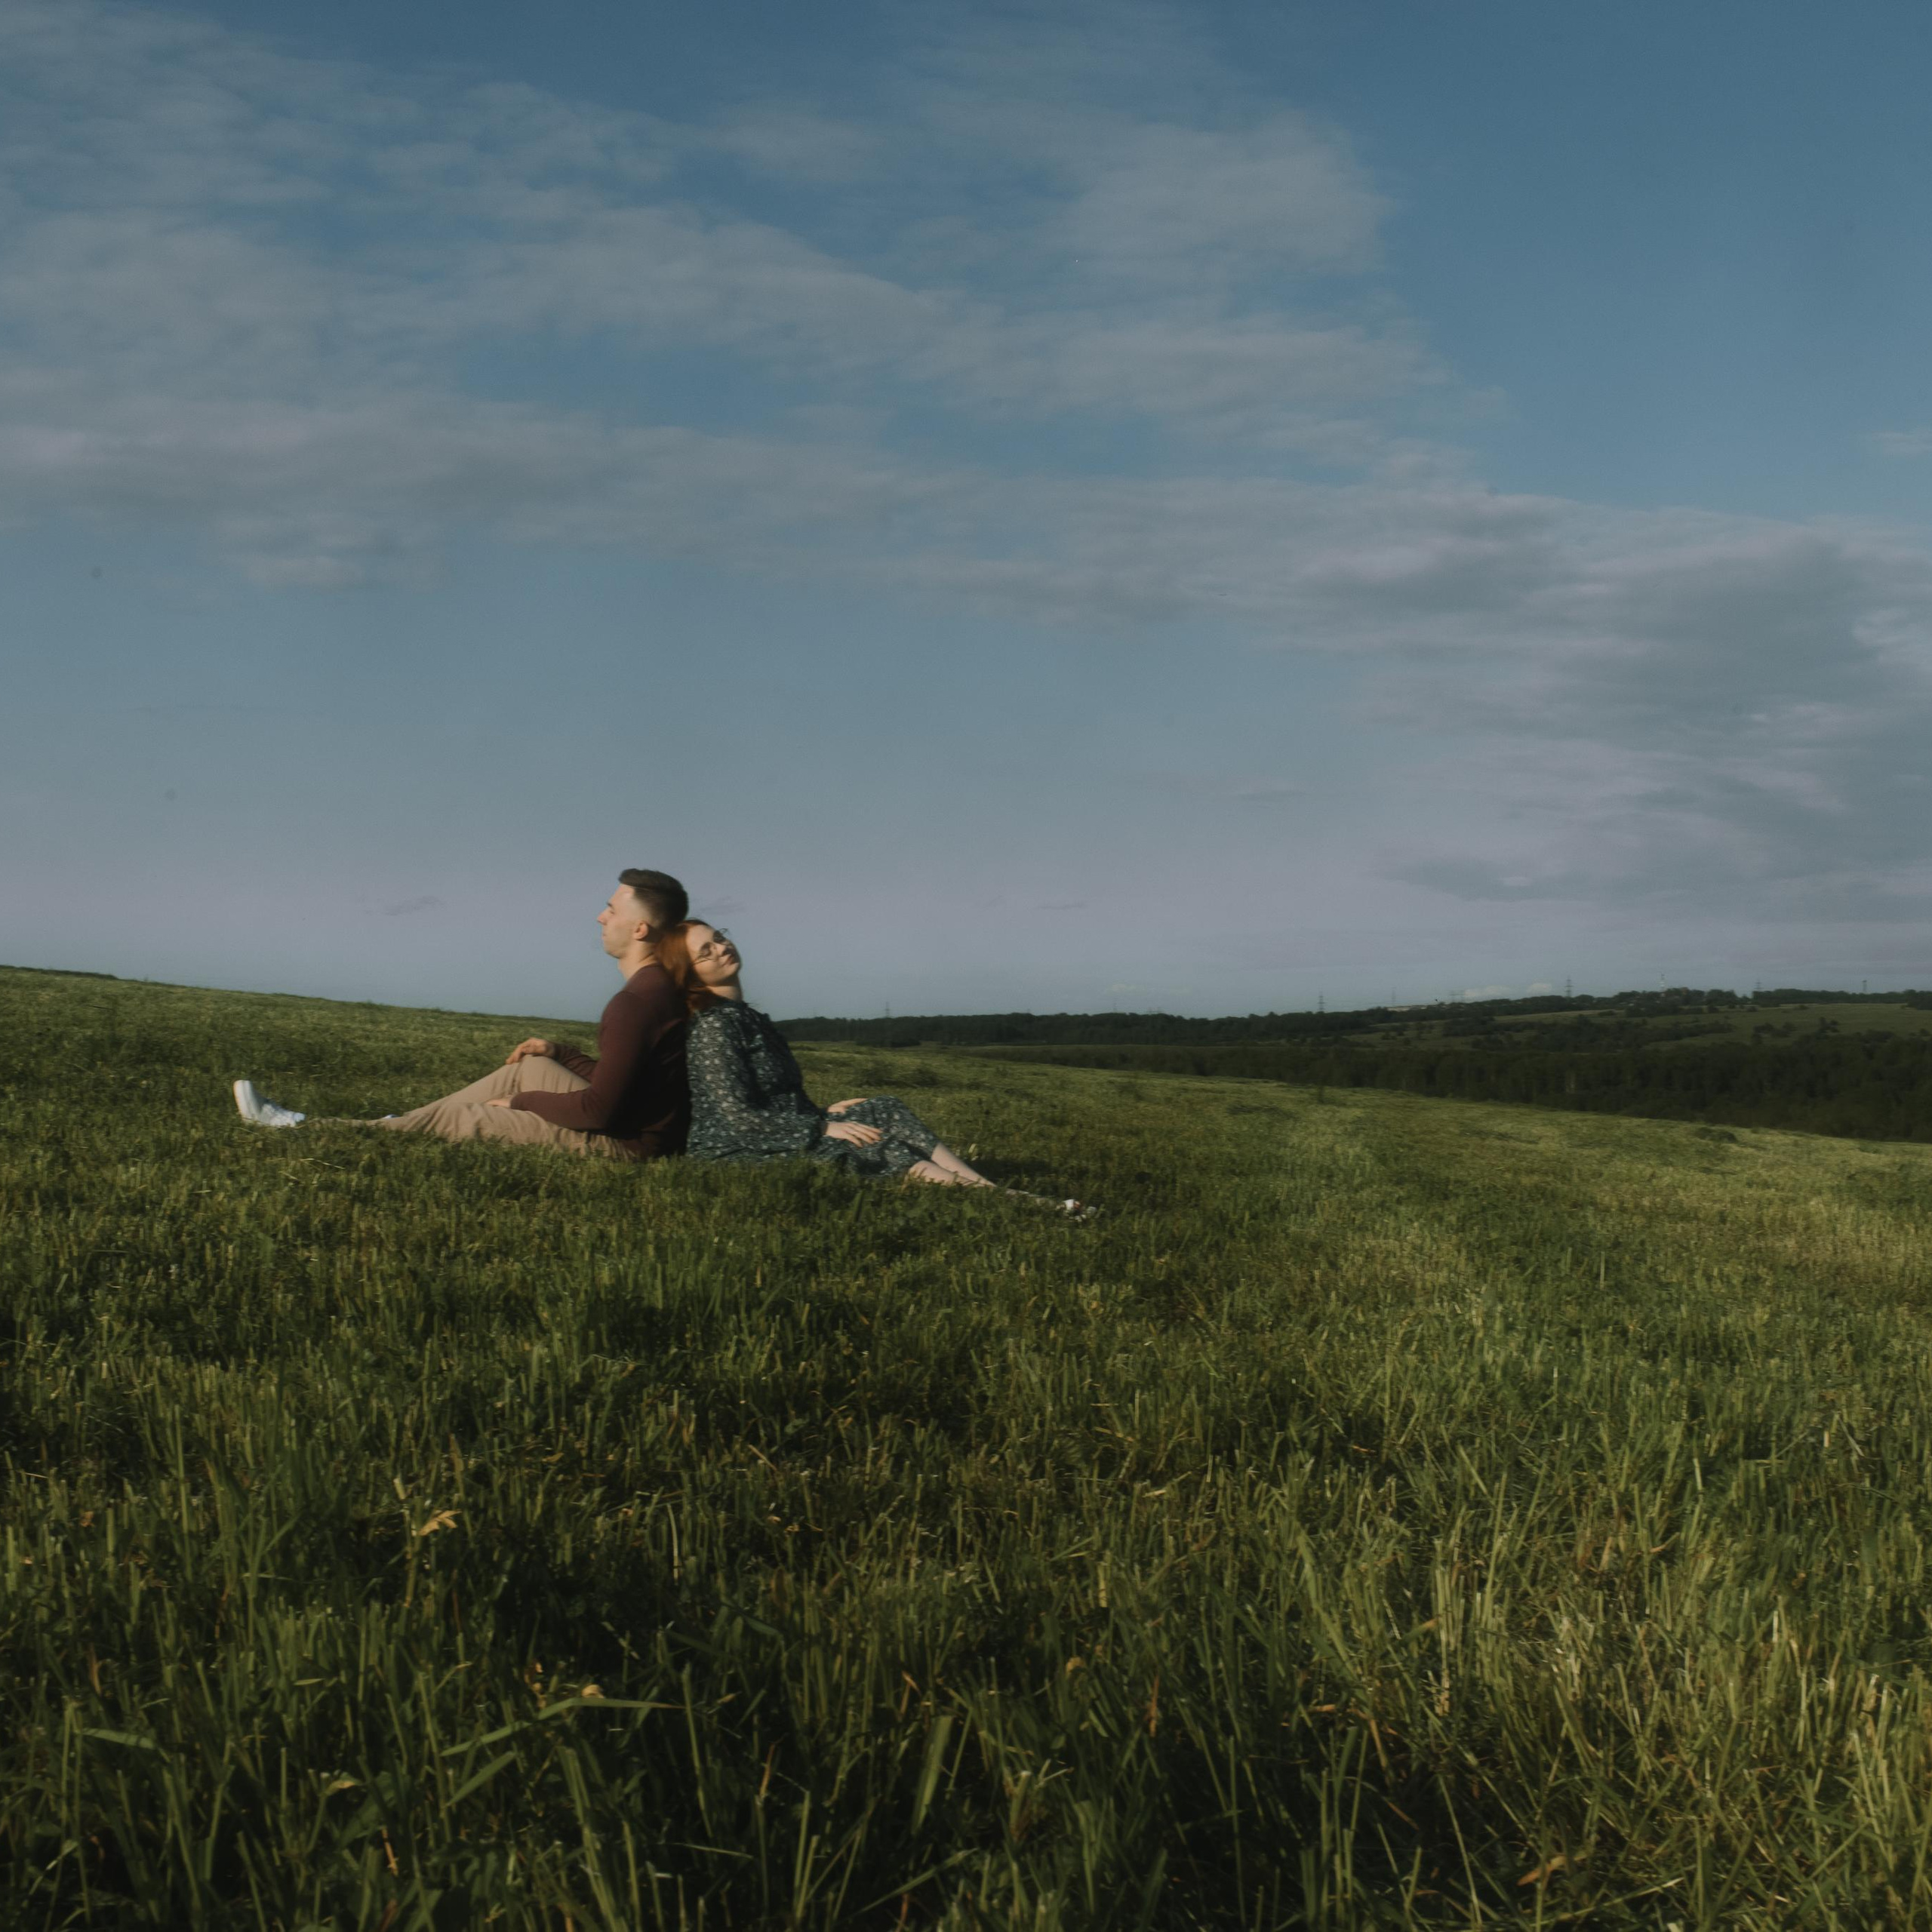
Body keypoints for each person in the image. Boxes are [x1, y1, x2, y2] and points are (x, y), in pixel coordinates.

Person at [231, 868, 692, 1161]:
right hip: (632, 1125)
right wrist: (560, 1053)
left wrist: (520, 1104)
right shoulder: (654, 991)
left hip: (626, 1149)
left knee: (461, 1120)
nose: (599, 917)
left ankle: (300, 1129)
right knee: (530, 1067)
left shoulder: (635, 1003)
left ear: (640, 928)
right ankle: (398, 1124)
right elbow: (622, 1083)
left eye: (611, 909)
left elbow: (600, 1109)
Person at [657, 920, 1091, 1213]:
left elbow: (775, 1095)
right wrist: (821, 1129)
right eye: (706, 950)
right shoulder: (714, 1027)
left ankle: (988, 1190)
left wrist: (824, 1113)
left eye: (720, 936)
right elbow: (738, 1119)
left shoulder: (746, 1016)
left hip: (783, 1129)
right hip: (734, 1152)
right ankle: (1016, 1204)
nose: (722, 947)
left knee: (883, 1108)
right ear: (690, 974)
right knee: (874, 1144)